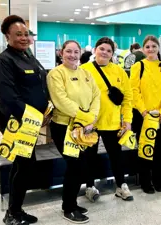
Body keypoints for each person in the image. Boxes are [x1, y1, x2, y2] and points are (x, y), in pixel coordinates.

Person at [0, 15, 50, 225]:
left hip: (32, 121)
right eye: (18, 34)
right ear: (7, 36)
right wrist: (35, 117)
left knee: (23, 165)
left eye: (26, 34)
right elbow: (9, 98)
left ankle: (16, 210)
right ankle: (13, 213)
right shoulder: (3, 62)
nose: (24, 38)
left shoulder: (28, 56)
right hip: (15, 121)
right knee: (24, 165)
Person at [47, 40, 100, 223]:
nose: (72, 55)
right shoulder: (56, 74)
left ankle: (72, 203)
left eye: (76, 52)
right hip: (64, 127)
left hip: (84, 128)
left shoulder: (86, 73)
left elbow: (96, 96)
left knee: (80, 166)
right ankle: (68, 208)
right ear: (61, 53)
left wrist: (92, 117)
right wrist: (86, 118)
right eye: (68, 51)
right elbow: (61, 100)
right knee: (74, 165)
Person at [80, 37, 134, 203]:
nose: (104, 52)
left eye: (108, 50)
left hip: (112, 122)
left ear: (112, 54)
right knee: (89, 157)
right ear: (95, 50)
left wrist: (128, 120)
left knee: (116, 156)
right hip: (91, 123)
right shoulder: (83, 70)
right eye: (101, 48)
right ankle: (89, 186)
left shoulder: (119, 71)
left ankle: (121, 185)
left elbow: (127, 98)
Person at [130, 35, 161, 194]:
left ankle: (158, 179)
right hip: (143, 116)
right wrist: (143, 111)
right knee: (145, 149)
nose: (151, 49)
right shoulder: (138, 67)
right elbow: (134, 91)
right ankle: (145, 181)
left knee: (159, 150)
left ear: (158, 48)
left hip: (160, 117)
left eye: (154, 46)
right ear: (143, 49)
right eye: (147, 47)